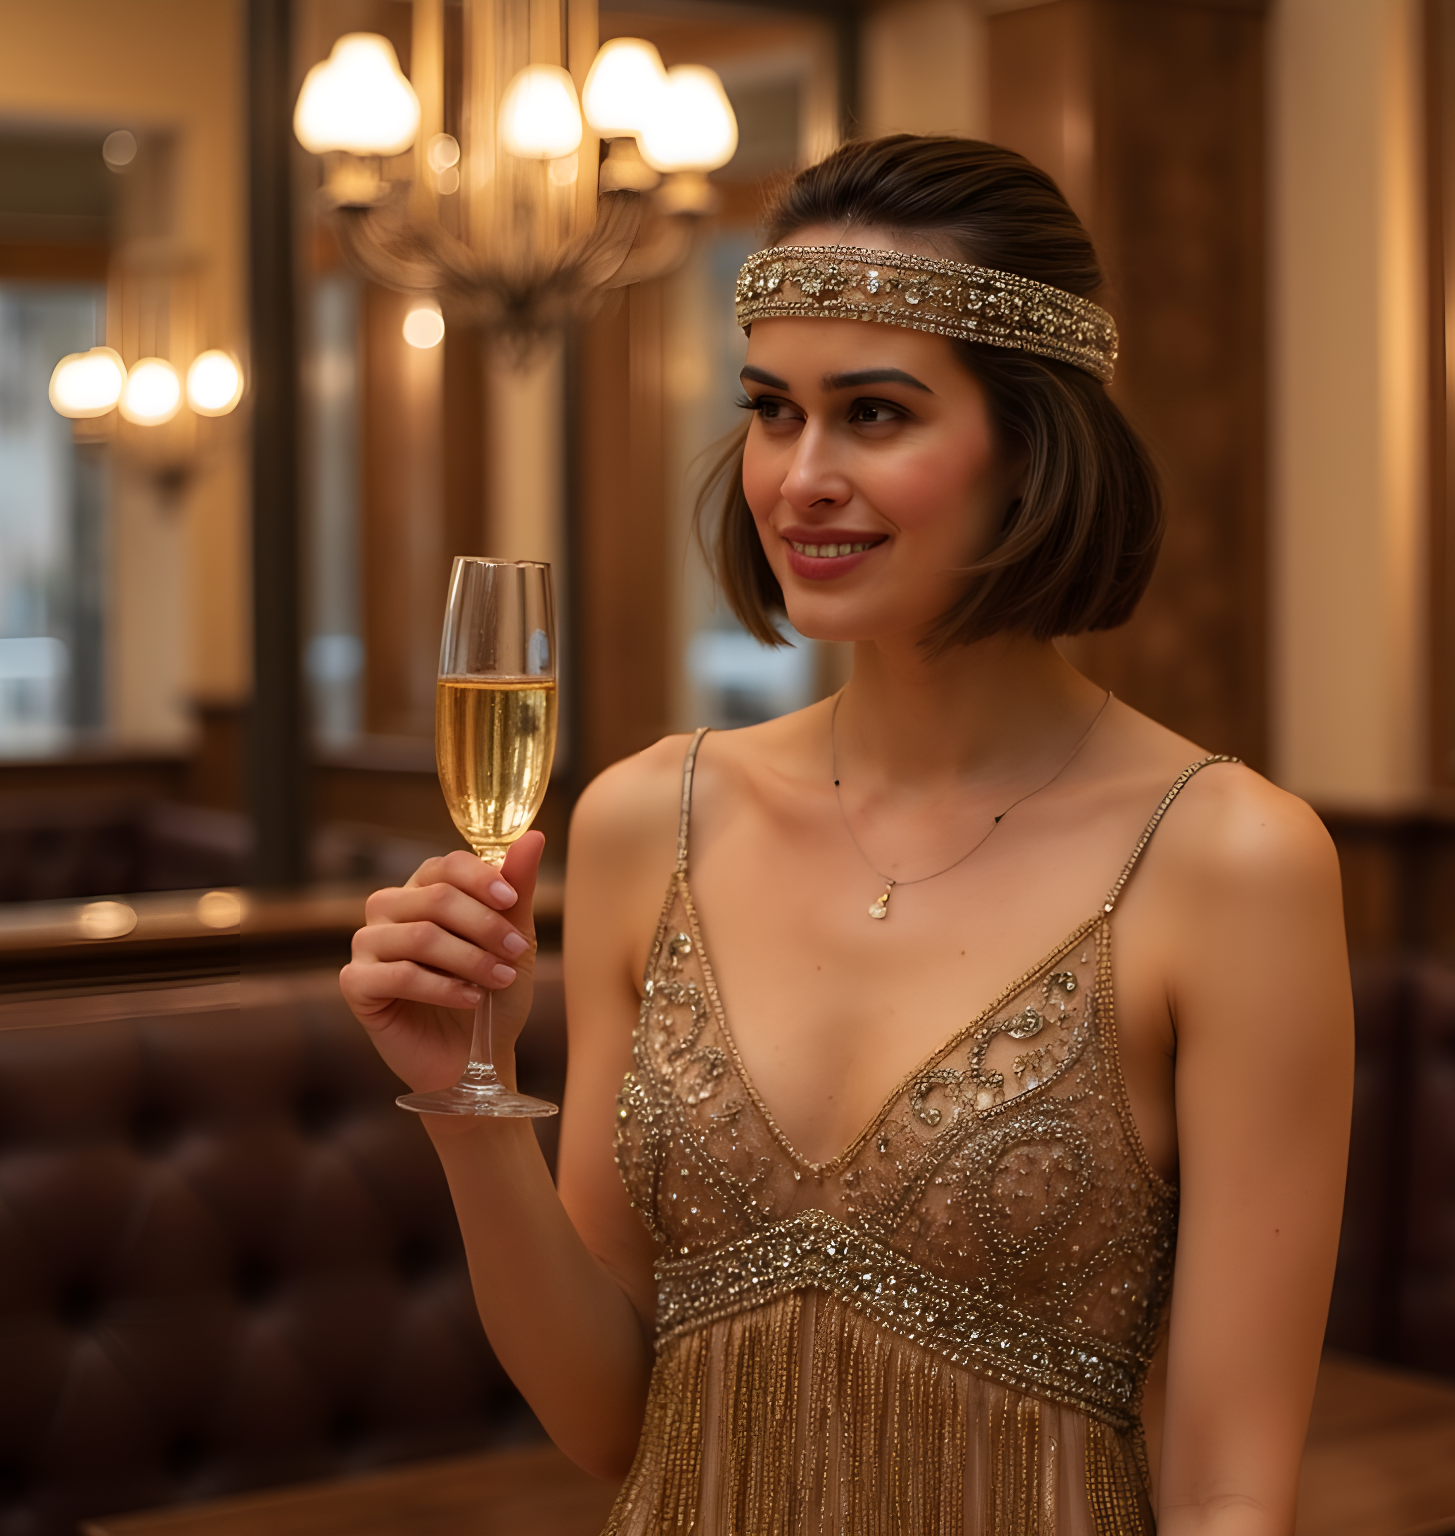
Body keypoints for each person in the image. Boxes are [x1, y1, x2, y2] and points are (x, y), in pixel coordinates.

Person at [341, 134, 1353, 1536]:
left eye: (873, 415)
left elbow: (1232, 1489)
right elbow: (606, 1420)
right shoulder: (649, 819)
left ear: (1029, 443)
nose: (797, 476)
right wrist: (470, 1091)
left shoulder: (1230, 858)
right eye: (771, 411)